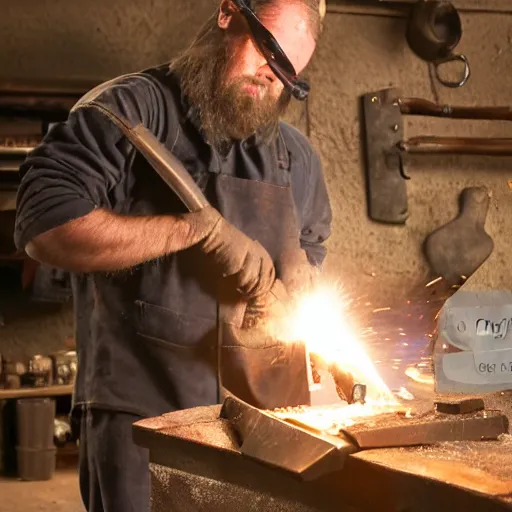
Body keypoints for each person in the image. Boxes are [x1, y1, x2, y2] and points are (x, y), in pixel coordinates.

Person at [14, 0, 332, 510]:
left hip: (263, 428)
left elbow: (315, 253)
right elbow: (44, 223)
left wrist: (296, 287)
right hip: (146, 421)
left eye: (288, 76)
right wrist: (189, 231)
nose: (270, 77)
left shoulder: (295, 157)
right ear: (229, 12)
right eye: (267, 51)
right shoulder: (130, 110)